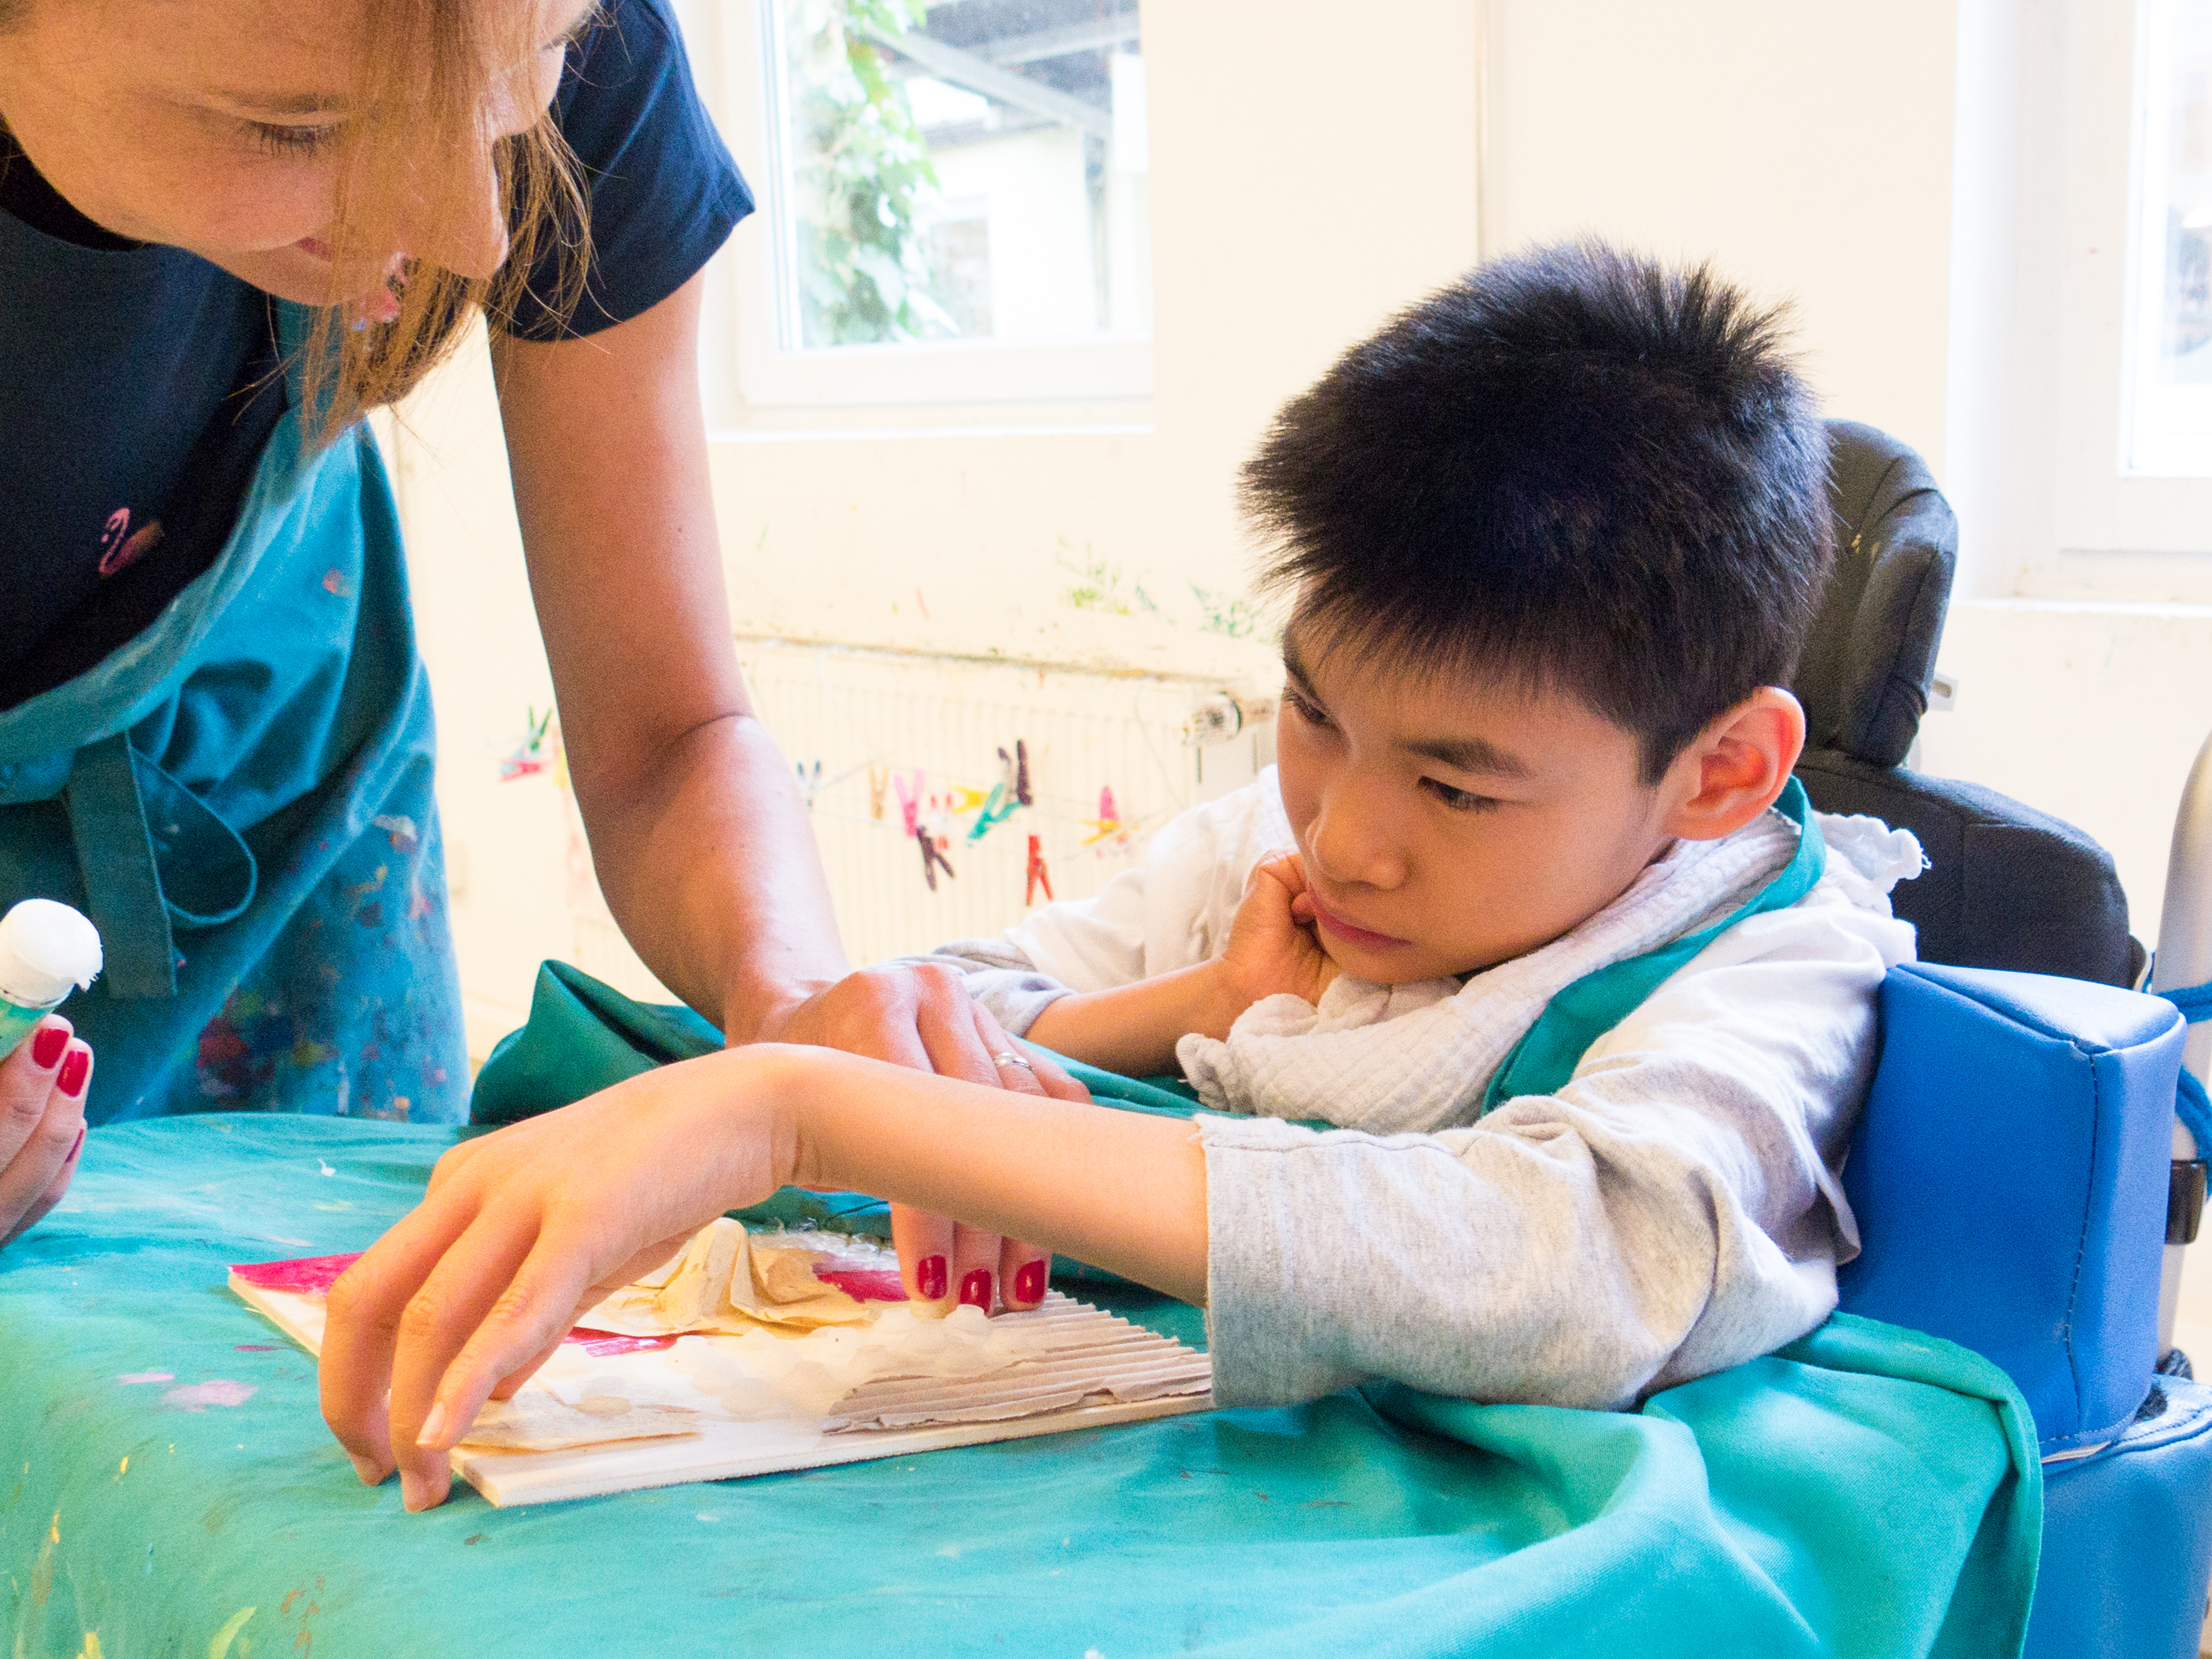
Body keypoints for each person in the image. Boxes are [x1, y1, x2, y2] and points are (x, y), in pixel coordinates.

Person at [319, 241, 1930, 1512]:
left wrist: (808, 1109)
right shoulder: (1267, 856)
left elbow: (1569, 1259)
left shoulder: (1770, 964)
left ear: (1719, 771)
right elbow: (970, 1003)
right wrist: (1196, 1001)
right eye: (1313, 711)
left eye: (1456, 783)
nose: (1344, 834)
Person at [0, 0, 1082, 1252]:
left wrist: (789, 996)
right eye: (300, 127)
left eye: (521, 77)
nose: (476, 230)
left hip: (275, 797)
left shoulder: (558, 30)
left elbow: (667, 733)